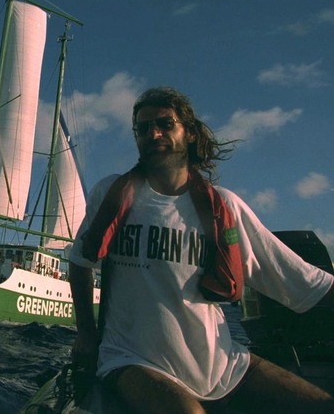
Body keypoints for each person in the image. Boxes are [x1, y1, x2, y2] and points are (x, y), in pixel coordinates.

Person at [68, 87, 334, 414]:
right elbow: (79, 262)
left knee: (322, 405)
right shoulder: (110, 194)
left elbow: (302, 280)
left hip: (222, 364)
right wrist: (86, 334)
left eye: (165, 124)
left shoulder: (224, 208)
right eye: (143, 127)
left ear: (190, 133)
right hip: (129, 359)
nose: (153, 133)